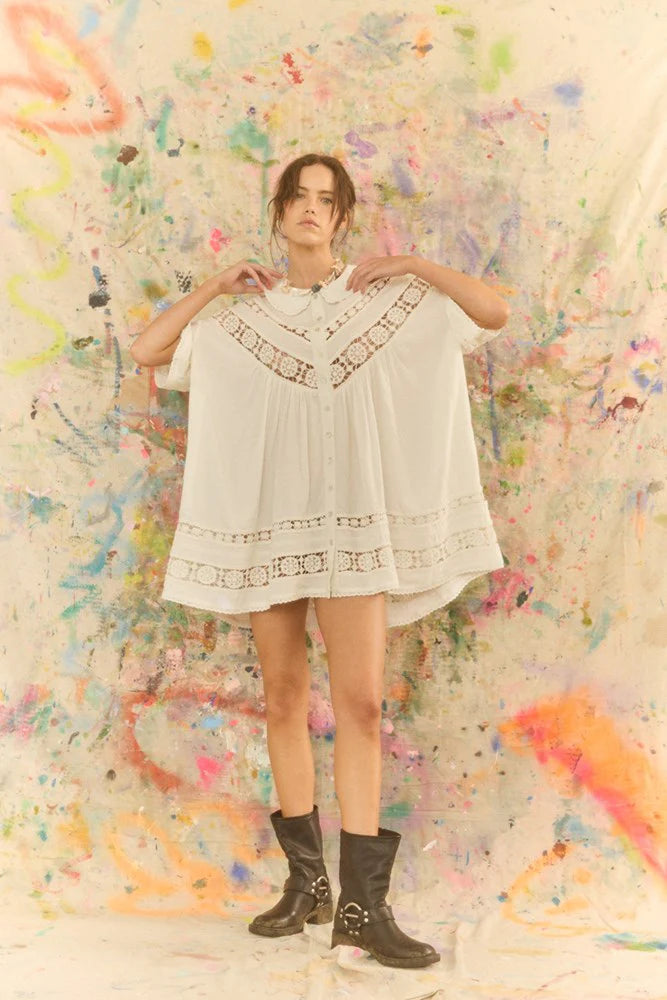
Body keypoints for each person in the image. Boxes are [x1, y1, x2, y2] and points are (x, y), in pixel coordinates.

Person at [130, 152, 510, 969]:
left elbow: (492, 311)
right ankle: (307, 885)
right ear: (279, 212)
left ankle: (363, 909)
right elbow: (147, 349)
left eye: (326, 200)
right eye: (298, 197)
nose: (310, 209)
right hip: (272, 528)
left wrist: (412, 263)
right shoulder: (239, 319)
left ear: (341, 218)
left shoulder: (388, 301)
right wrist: (213, 287)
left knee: (361, 705)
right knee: (282, 698)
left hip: (353, 534)